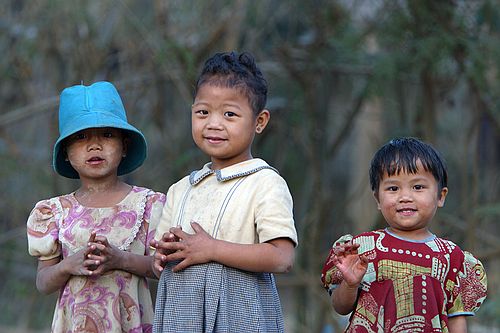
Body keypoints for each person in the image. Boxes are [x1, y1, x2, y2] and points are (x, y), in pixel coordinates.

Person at [150, 51, 298, 333]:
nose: (213, 123)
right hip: (181, 319)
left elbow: (282, 257)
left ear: (260, 121)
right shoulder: (181, 189)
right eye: (203, 112)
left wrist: (213, 249)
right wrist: (161, 258)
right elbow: (160, 262)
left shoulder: (264, 183)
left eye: (229, 114)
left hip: (240, 318)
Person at [27, 81, 166, 332]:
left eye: (108, 134)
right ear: (66, 152)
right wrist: (69, 265)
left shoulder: (148, 205)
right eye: (80, 137)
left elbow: (161, 268)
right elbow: (43, 282)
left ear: (124, 146)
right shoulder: (54, 212)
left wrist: (120, 259)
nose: (95, 145)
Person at [321, 137, 487, 332]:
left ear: (440, 196)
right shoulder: (363, 249)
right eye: (393, 188)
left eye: (418, 187)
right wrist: (350, 284)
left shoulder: (452, 257)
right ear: (377, 199)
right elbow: (341, 307)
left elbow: (456, 319)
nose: (405, 197)